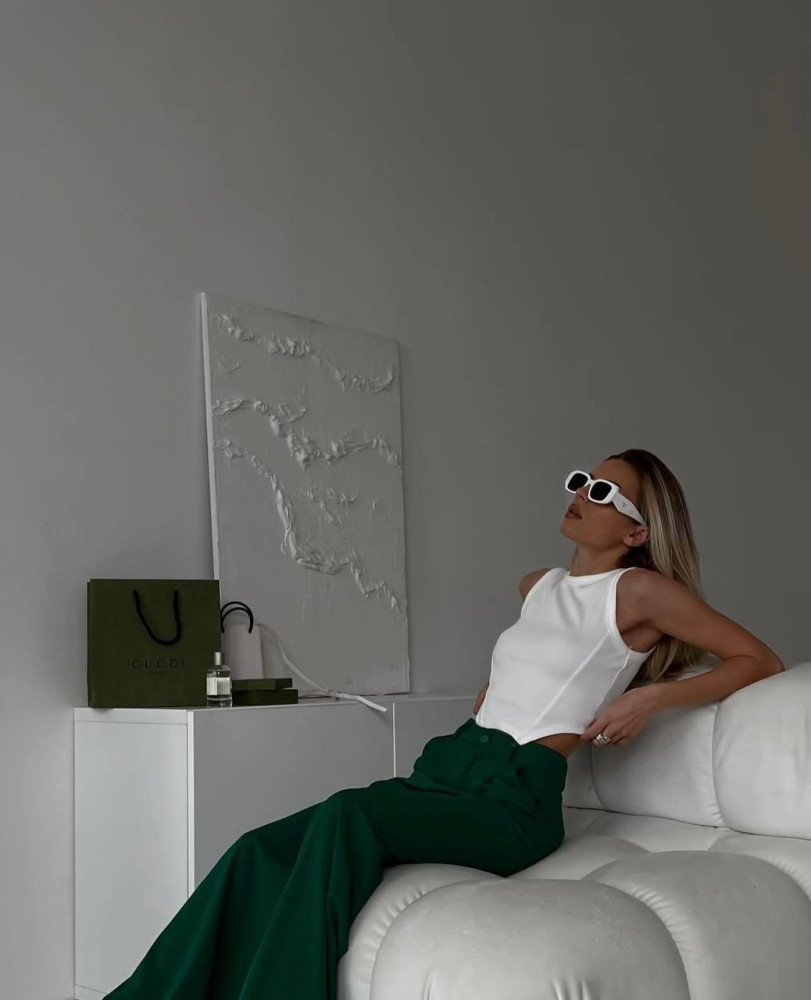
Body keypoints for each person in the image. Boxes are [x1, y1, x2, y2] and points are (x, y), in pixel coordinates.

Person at [105, 447, 783, 1000]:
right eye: (581, 480)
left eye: (604, 493)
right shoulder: (537, 586)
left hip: (513, 800)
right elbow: (540, 667)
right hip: (455, 767)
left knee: (347, 817)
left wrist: (649, 700)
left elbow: (757, 658)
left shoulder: (639, 591)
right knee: (258, 849)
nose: (582, 493)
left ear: (636, 532)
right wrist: (497, 691)